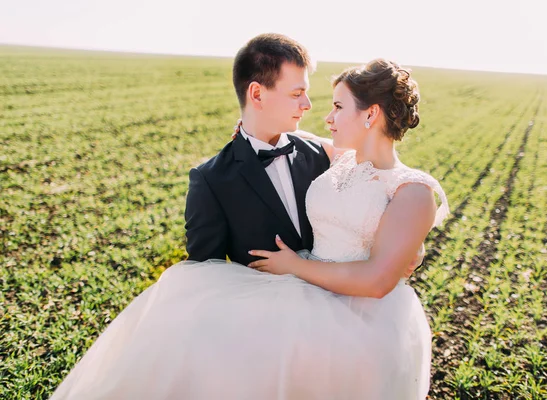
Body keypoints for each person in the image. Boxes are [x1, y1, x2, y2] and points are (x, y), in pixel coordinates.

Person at [50, 34, 449, 400]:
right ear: (257, 93)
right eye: (297, 94)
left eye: (326, 102)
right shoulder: (214, 179)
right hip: (265, 334)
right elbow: (203, 272)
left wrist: (405, 240)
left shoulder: (334, 159)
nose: (312, 109)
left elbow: (383, 187)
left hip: (354, 331)